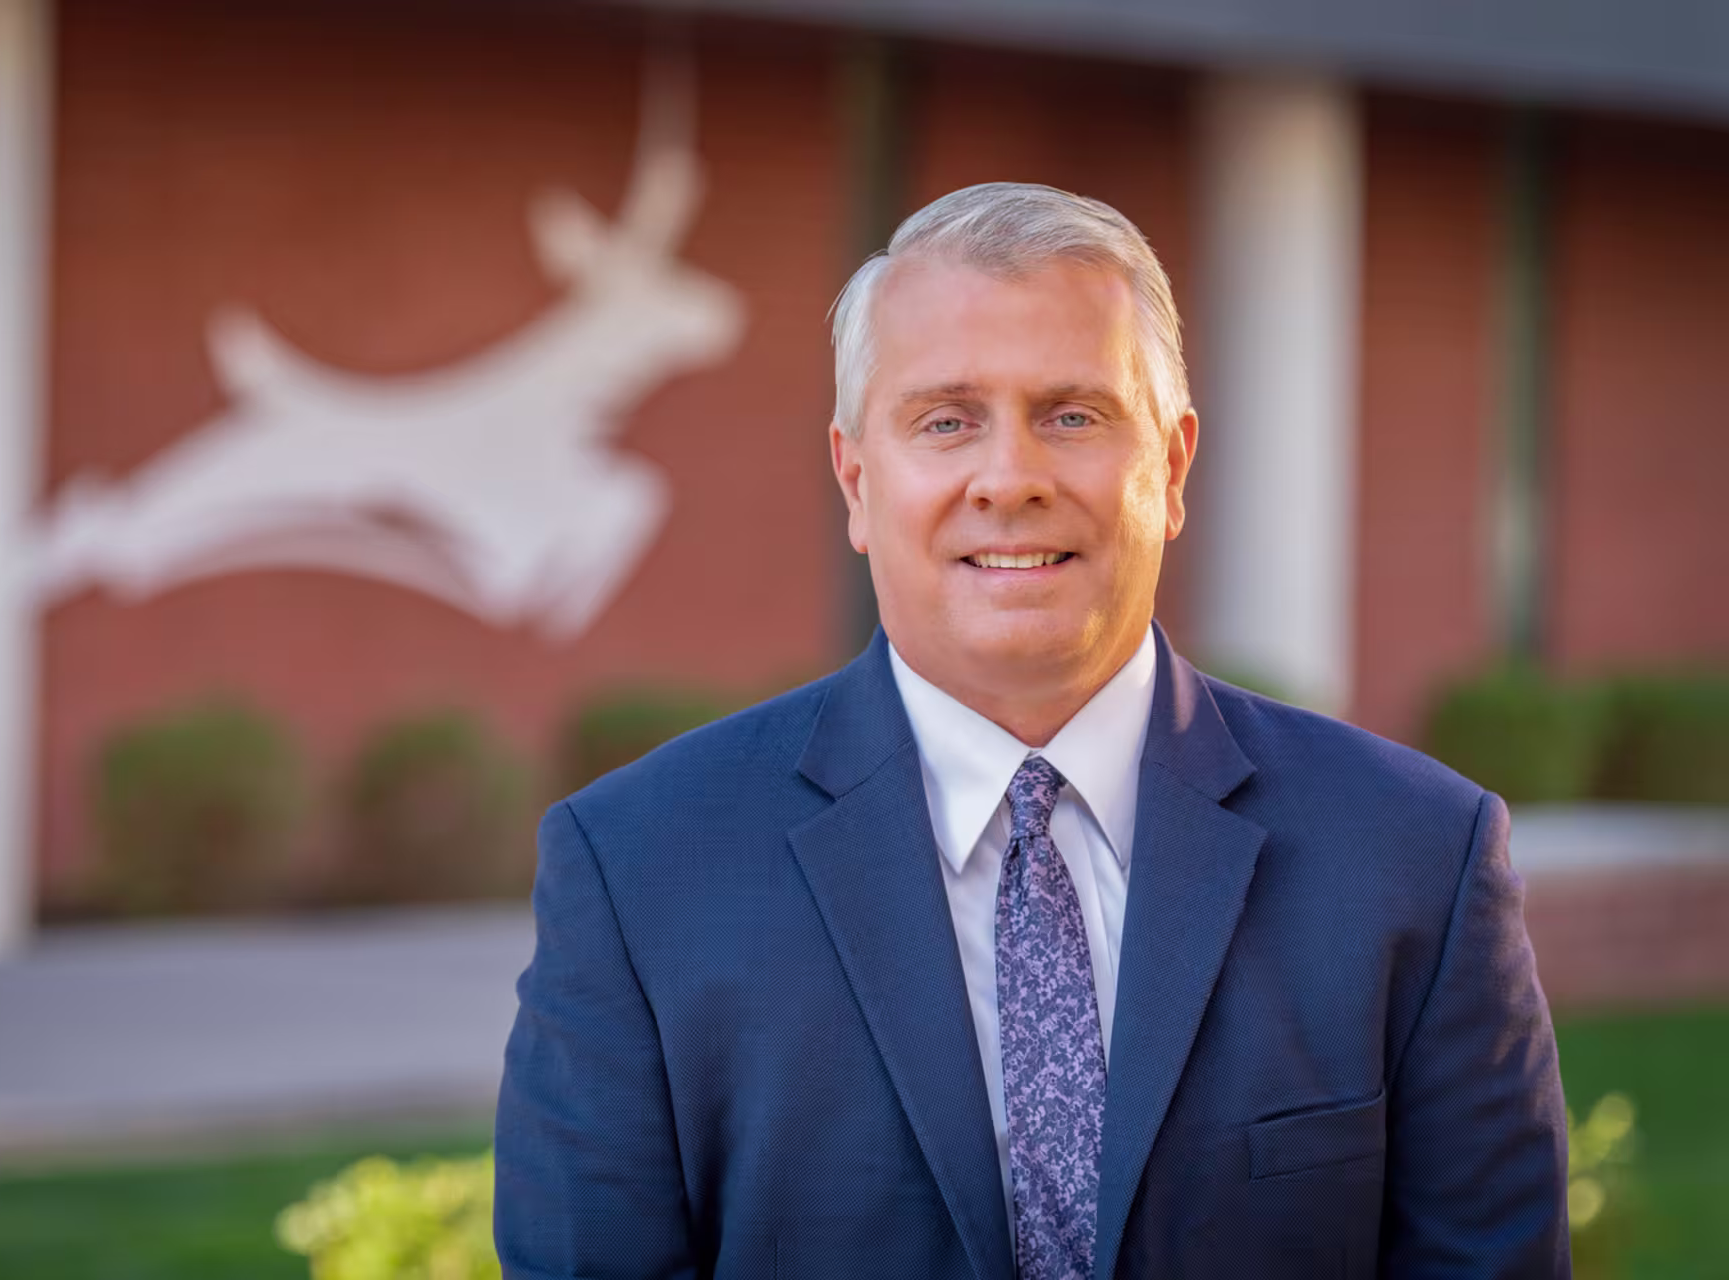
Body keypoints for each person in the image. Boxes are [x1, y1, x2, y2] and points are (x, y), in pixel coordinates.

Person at [493, 182, 1569, 1279]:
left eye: (1073, 414)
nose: (1009, 479)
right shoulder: (638, 870)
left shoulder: (1414, 855)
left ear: (1175, 465)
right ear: (857, 479)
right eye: (946, 420)